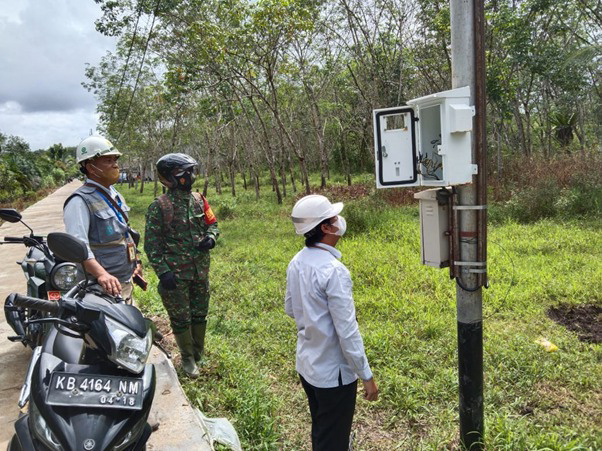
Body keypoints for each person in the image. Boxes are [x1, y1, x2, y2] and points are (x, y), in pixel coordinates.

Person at [285, 194, 378, 451]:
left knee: (323, 427)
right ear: (325, 228)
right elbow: (347, 333)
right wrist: (367, 376)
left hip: (308, 366)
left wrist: (314, 324)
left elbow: (291, 309)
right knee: (332, 439)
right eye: (334, 218)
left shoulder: (297, 262)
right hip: (333, 375)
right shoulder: (334, 271)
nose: (339, 221)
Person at [144, 153, 219, 378]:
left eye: (191, 171)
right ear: (170, 178)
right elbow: (152, 246)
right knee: (181, 317)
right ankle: (187, 358)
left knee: (199, 313)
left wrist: (212, 237)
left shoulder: (199, 199)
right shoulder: (160, 206)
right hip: (176, 276)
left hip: (200, 271)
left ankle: (199, 353)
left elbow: (212, 223)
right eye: (185, 173)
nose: (191, 176)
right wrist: (163, 272)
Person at [63, 135, 142, 301]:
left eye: (115, 159)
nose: (115, 164)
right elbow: (79, 248)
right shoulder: (79, 201)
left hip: (122, 283)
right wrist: (102, 274)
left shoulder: (115, 194)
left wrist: (136, 261)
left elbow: (124, 233)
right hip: (99, 289)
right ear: (91, 168)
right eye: (108, 160)